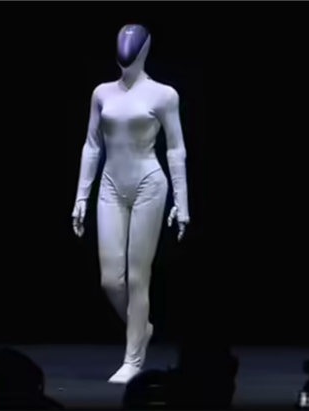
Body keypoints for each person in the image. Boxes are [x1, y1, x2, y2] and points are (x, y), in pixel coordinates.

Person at [72, 24, 190, 384]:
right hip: (110, 185)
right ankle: (141, 328)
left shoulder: (163, 95)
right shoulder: (102, 93)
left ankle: (132, 359)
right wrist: (81, 195)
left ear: (145, 50)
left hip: (148, 185)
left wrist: (182, 202)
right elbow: (92, 145)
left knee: (139, 278)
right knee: (111, 281)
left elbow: (175, 148)